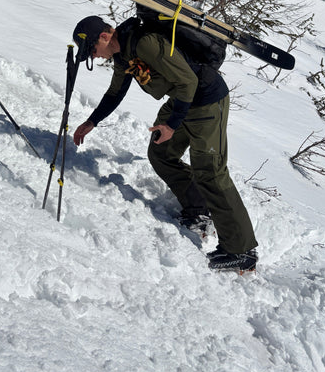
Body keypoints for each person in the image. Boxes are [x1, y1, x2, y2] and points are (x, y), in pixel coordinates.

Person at [72, 15, 258, 272]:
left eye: (92, 50)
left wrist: (171, 125)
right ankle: (198, 209)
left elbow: (189, 81)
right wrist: (92, 121)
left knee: (210, 171)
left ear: (104, 36)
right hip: (183, 100)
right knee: (161, 153)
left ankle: (242, 250)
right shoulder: (123, 55)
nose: (94, 56)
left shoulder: (144, 43)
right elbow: (115, 91)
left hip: (205, 100)